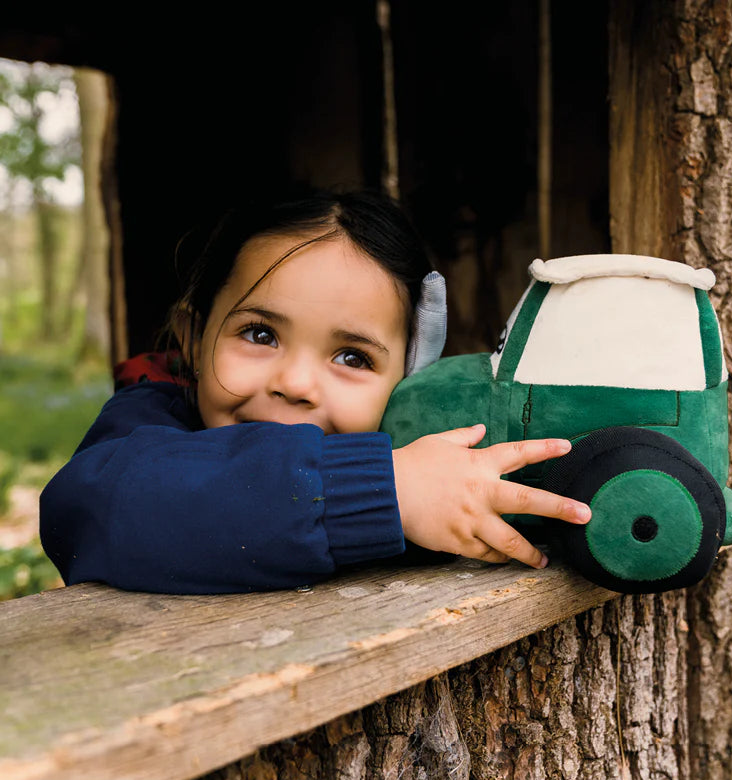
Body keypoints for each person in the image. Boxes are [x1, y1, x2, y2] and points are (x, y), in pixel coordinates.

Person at [40, 188, 591, 594]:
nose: (296, 384)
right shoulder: (148, 421)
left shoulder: (427, 450)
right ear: (193, 339)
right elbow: (88, 509)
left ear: (410, 382)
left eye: (352, 357)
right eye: (260, 334)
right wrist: (384, 490)